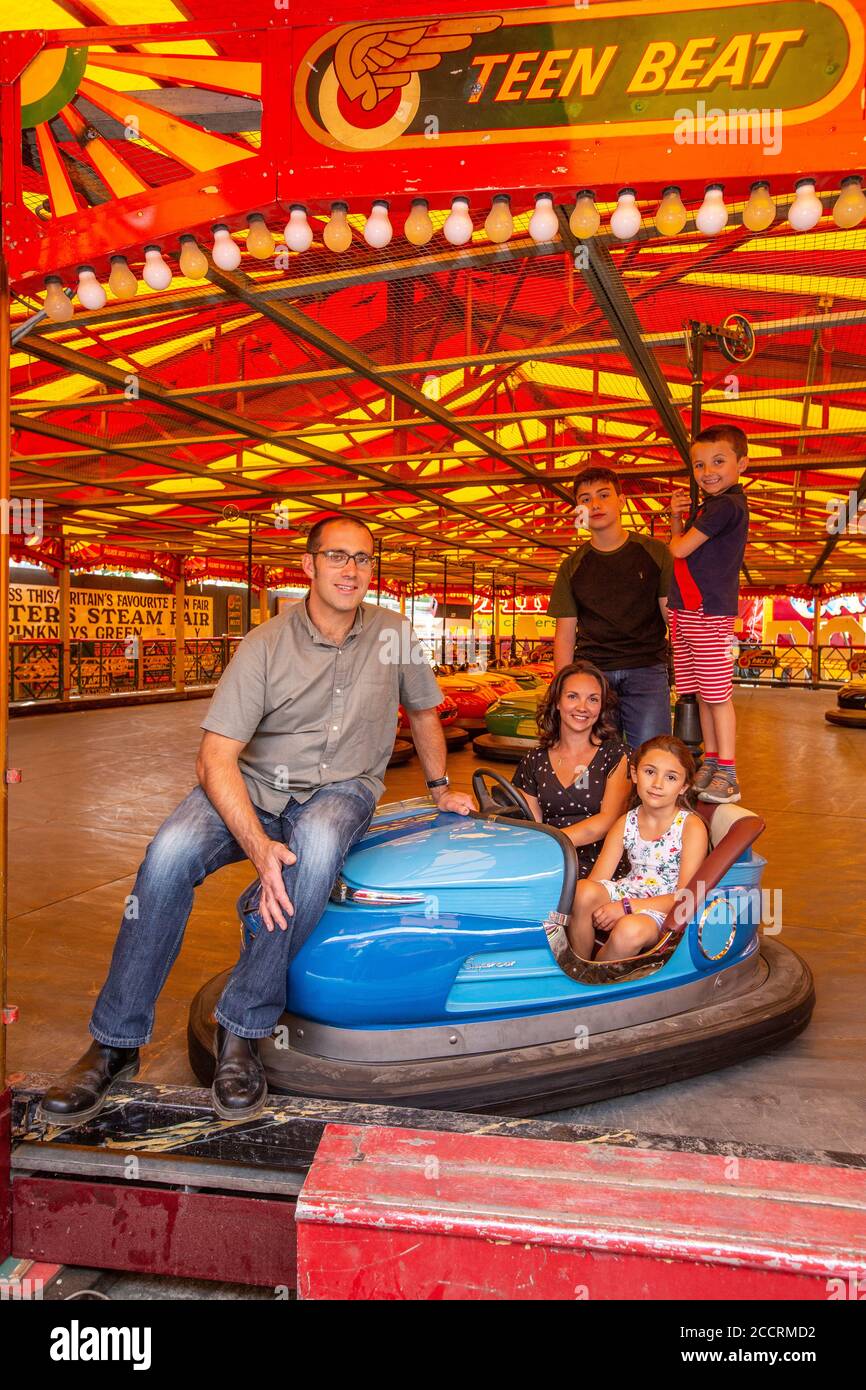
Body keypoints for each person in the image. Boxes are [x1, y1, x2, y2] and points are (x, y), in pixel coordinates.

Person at [39, 513, 474, 1128]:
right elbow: (215, 757)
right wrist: (261, 847)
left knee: (318, 847)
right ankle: (114, 1041)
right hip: (257, 783)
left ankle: (242, 1027)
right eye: (337, 557)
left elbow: (425, 712)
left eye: (364, 558)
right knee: (166, 857)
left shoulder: (394, 633)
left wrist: (439, 788)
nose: (352, 570)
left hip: (342, 785)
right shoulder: (265, 643)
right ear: (308, 565)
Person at [549, 466, 673, 749]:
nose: (595, 504)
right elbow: (565, 635)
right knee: (595, 757)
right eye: (585, 498)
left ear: (622, 500)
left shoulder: (654, 552)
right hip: (593, 672)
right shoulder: (572, 566)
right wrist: (561, 690)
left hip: (647, 669)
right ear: (577, 509)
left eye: (604, 495)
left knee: (652, 754)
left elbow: (672, 617)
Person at [568, 735, 707, 962]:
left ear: (684, 787)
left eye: (670, 777)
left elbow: (685, 896)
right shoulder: (626, 822)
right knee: (582, 891)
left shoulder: (690, 826)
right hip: (630, 892)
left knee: (628, 930)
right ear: (634, 774)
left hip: (665, 909)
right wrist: (602, 905)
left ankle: (595, 979)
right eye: (650, 772)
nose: (657, 784)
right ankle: (578, 967)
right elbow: (597, 882)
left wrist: (626, 907)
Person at [668, 424, 750, 804]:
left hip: (706, 611)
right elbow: (685, 549)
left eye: (718, 461)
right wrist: (676, 518)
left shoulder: (727, 505)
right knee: (701, 691)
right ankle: (713, 761)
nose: (707, 471)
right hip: (686, 609)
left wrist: (674, 532)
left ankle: (728, 771)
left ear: (742, 464)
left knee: (716, 694)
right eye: (699, 465)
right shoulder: (710, 506)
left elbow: (680, 550)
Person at [511, 661, 630, 878]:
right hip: (550, 860)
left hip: (601, 865)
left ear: (601, 707)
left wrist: (551, 841)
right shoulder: (534, 760)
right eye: (572, 696)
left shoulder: (616, 755)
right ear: (557, 702)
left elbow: (606, 822)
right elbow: (532, 822)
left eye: (592, 699)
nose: (582, 707)